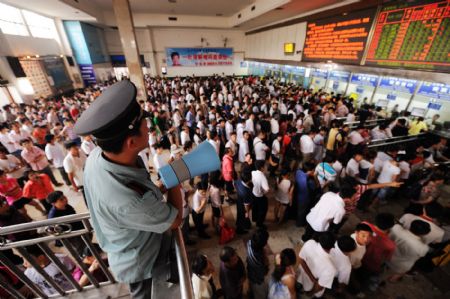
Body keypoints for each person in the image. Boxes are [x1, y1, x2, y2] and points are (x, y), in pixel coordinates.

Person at [73, 81, 183, 299]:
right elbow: (175, 220)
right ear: (131, 142)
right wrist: (175, 177)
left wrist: (158, 187)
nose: (148, 127)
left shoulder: (98, 156)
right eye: (145, 124)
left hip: (130, 241)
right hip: (142, 265)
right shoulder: (130, 200)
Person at [361, 213, 396, 291]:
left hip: (357, 256)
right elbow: (386, 258)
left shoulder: (364, 225)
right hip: (370, 264)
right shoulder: (390, 245)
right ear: (390, 227)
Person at [297, 232, 337, 298]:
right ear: (332, 247)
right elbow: (319, 287)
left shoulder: (310, 243)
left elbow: (301, 260)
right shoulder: (331, 269)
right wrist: (310, 293)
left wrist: (311, 277)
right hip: (310, 286)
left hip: (300, 275)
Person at [247, 228, 270, 299]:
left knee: (251, 284)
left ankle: (251, 292)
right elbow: (264, 270)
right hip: (257, 278)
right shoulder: (258, 258)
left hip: (250, 271)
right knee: (260, 294)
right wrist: (265, 256)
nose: (267, 243)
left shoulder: (249, 242)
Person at [251, 160, 269, 228]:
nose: (266, 167)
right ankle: (259, 224)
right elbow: (267, 189)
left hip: (253, 193)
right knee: (263, 210)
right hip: (260, 196)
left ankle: (254, 219)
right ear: (262, 168)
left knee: (254, 207)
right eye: (265, 166)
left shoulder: (253, 172)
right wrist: (263, 193)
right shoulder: (263, 177)